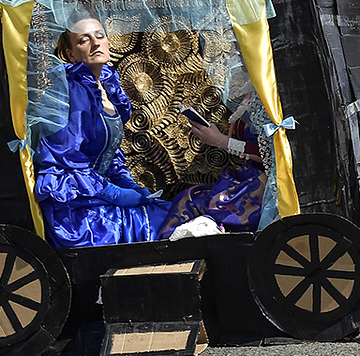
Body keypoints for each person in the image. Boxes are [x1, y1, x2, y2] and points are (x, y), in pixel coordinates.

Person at [30, 17, 170, 248]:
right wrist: (114, 194)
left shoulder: (106, 85)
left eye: (100, 36)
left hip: (97, 196)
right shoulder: (68, 93)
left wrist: (128, 185)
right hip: (75, 210)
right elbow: (67, 162)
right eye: (84, 40)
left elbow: (109, 154)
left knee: (173, 212)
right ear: (71, 54)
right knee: (164, 223)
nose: (95, 43)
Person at [157, 69, 277, 240]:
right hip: (247, 175)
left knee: (194, 204)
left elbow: (273, 155)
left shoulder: (271, 97)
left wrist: (222, 142)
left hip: (264, 185)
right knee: (189, 197)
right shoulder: (249, 92)